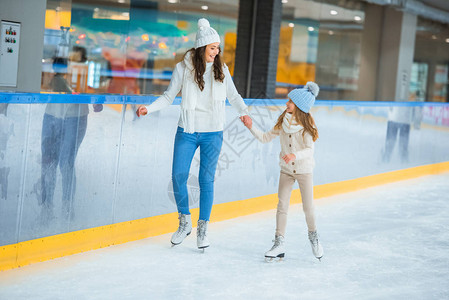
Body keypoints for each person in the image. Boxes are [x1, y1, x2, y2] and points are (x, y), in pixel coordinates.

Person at [137, 18, 251, 250]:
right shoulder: (182, 69)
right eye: (212, 48)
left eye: (218, 48)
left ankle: (203, 228)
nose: (216, 52)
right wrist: (149, 108)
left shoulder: (222, 69)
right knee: (178, 176)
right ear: (202, 48)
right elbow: (169, 96)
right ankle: (184, 221)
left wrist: (244, 113)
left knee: (205, 180)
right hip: (187, 130)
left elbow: (234, 96)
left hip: (213, 132)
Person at [242, 82, 323, 261]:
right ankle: (279, 243)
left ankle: (314, 238)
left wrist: (295, 155)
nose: (287, 104)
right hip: (286, 170)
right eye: (288, 101)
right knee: (282, 205)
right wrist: (250, 126)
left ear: (300, 107)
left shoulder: (307, 126)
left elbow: (310, 150)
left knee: (308, 207)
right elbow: (265, 138)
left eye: (291, 102)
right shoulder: (283, 121)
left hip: (303, 170)